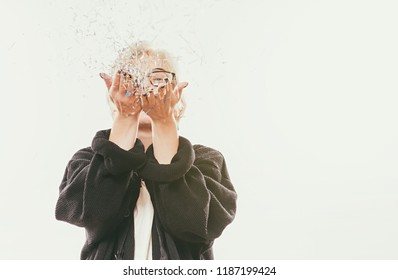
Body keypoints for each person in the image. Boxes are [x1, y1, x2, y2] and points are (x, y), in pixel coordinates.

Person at [55, 43, 237, 260]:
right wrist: (125, 118)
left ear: (178, 102)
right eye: (134, 79)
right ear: (114, 98)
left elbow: (195, 223)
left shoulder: (206, 161)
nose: (145, 90)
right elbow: (93, 212)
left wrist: (163, 122)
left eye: (158, 80)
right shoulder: (88, 161)